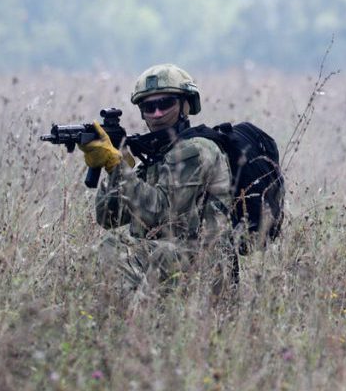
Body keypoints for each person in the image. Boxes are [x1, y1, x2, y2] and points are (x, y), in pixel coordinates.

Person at [78, 64, 238, 295]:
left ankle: (131, 323)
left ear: (186, 105)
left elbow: (160, 213)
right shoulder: (158, 156)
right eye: (148, 107)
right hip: (169, 259)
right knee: (96, 254)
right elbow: (109, 218)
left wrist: (118, 167)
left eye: (165, 104)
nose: (157, 113)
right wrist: (115, 165)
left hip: (205, 266)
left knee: (112, 249)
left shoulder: (196, 150)